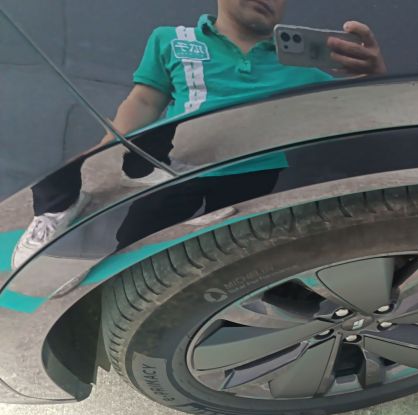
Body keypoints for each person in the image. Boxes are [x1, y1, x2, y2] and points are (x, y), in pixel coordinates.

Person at [12, 0, 386, 269]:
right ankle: (66, 214)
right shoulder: (171, 39)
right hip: (175, 164)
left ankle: (273, 288)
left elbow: (360, 111)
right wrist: (108, 149)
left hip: (254, 169)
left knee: (240, 252)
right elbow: (145, 99)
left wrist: (375, 77)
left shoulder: (301, 67)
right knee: (135, 242)